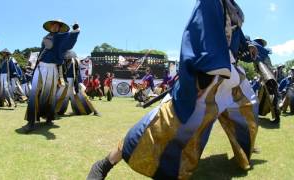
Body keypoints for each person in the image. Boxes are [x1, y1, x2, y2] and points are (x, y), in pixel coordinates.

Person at [87, 0, 259, 179]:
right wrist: (204, 76)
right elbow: (198, 31)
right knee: (166, 124)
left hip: (231, 77)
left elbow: (238, 40)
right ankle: (105, 163)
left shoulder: (233, 9)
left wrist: (248, 47)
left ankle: (243, 150)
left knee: (248, 110)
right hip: (209, 74)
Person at [24, 19, 80, 132]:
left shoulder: (62, 37)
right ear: (50, 27)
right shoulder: (45, 38)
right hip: (40, 67)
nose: (54, 27)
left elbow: (70, 42)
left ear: (60, 28)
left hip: (53, 68)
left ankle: (49, 118)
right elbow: (42, 52)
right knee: (34, 93)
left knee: (50, 94)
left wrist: (76, 30)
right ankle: (31, 121)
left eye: (57, 25)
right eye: (53, 25)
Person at [56, 50, 100, 116]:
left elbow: (77, 73)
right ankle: (55, 111)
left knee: (82, 97)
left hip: (72, 82)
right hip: (64, 82)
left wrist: (79, 82)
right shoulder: (61, 61)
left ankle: (94, 111)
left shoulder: (74, 62)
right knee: (59, 97)